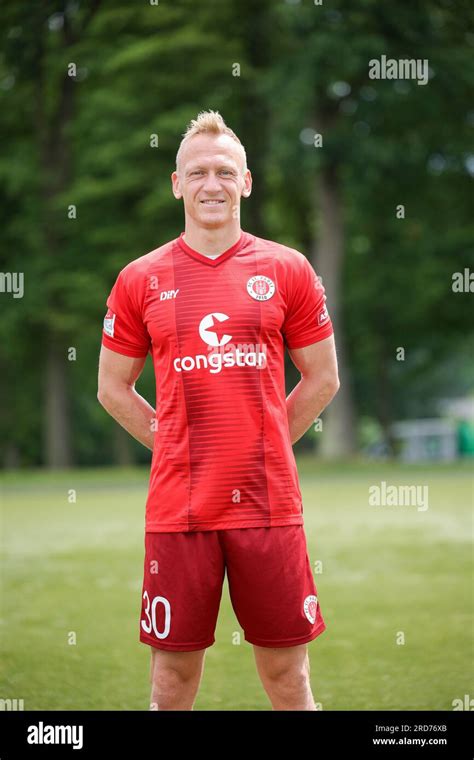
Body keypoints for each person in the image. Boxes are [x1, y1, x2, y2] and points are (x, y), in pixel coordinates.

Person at [97, 110, 340, 711]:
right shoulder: (139, 278)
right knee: (171, 681)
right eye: (198, 172)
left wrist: (265, 439)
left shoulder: (287, 268)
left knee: (288, 675)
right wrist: (176, 441)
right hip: (179, 507)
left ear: (247, 182)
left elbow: (322, 378)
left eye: (225, 172)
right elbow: (112, 388)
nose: (213, 183)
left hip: (269, 503)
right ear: (176, 183)